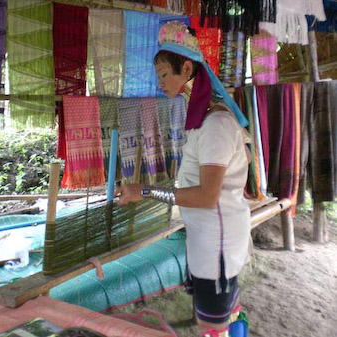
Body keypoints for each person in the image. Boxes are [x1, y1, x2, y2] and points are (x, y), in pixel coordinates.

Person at [115, 21, 251, 337]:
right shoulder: (207, 120)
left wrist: (145, 190)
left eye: (164, 74)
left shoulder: (216, 124)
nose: (160, 83)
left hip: (216, 246)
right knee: (229, 317)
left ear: (186, 68)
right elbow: (245, 159)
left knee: (213, 328)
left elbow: (206, 197)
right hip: (218, 240)